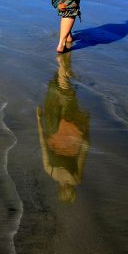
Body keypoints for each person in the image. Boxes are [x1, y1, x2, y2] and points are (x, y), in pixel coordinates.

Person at [36, 52, 91, 203]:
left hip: (73, 132)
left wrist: (86, 127)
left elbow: (85, 147)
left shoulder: (75, 179)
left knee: (66, 95)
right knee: (57, 92)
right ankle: (63, 60)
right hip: (55, 130)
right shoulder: (50, 171)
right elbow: (43, 144)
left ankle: (64, 61)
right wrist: (39, 120)